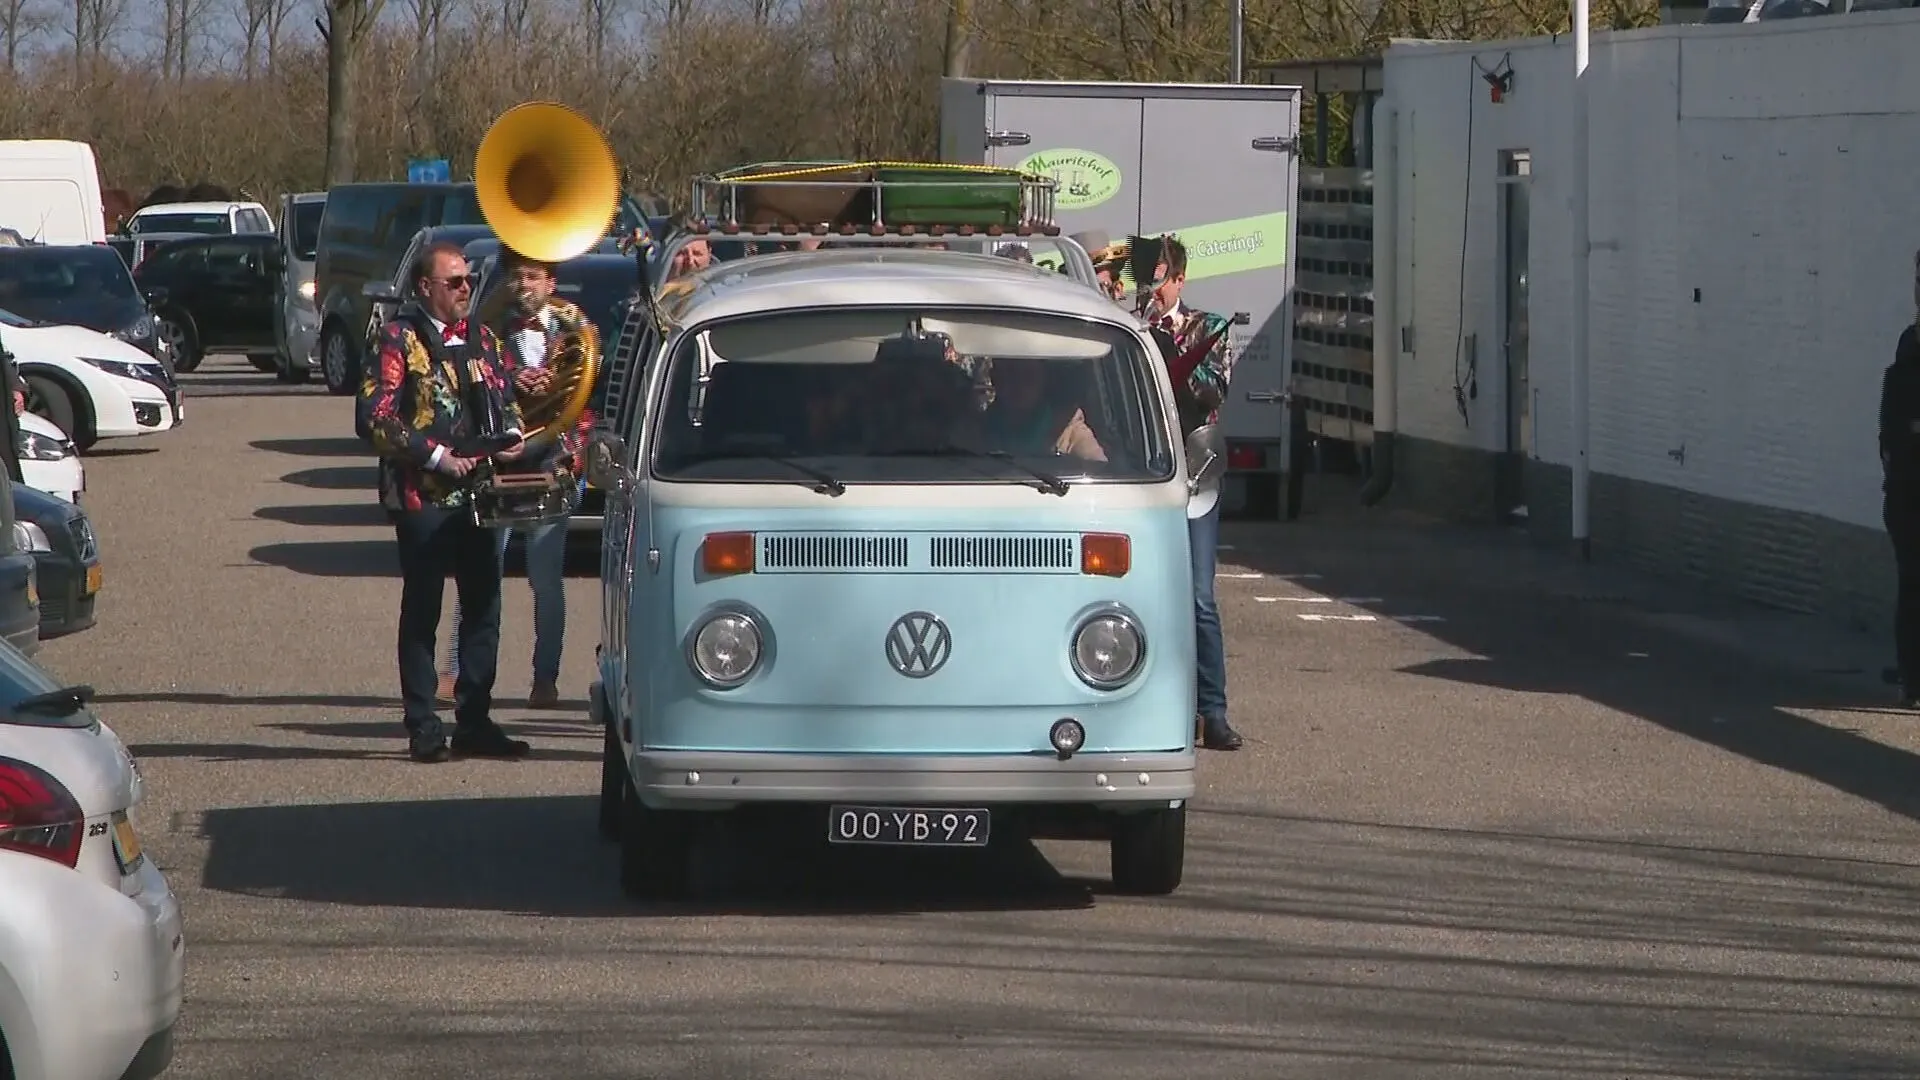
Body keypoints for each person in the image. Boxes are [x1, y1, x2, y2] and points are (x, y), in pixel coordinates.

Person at [361, 240, 532, 763]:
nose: (465, 290)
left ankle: (474, 720)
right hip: (423, 496)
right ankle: (423, 725)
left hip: (480, 494)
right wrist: (436, 456)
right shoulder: (397, 339)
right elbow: (374, 417)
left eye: (467, 281)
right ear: (424, 288)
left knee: (484, 606)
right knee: (424, 607)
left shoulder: (482, 337)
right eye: (454, 282)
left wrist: (514, 434)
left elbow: (503, 400)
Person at [438, 248, 602, 708]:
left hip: (554, 462)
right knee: (481, 570)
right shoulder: (486, 330)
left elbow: (587, 389)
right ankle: (455, 671)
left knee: (545, 578)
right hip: (499, 462)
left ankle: (544, 677)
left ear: (551, 283)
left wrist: (551, 383)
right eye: (516, 277)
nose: (523, 286)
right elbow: (466, 377)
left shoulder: (578, 331)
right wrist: (511, 380)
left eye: (532, 277)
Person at [1141, 234, 1243, 752]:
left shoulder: (1207, 327)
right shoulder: (1132, 323)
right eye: (1150, 278)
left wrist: (1175, 355)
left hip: (1196, 470)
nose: (1154, 289)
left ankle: (1214, 710)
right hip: (1144, 475)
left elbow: (1215, 389)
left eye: (1162, 279)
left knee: (1200, 596)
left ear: (1180, 279)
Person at [1881, 250, 1920, 708]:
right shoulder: (1908, 349)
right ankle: (1911, 675)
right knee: (1913, 582)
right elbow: (1892, 429)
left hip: (1904, 490)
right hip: (1909, 494)